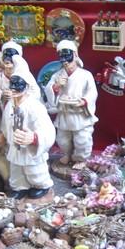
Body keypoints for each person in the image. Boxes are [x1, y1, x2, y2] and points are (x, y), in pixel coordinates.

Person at [44, 40, 98, 169]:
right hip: (64, 113)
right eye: (62, 57)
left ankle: (81, 159)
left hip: (80, 114)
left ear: (75, 55)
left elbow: (92, 92)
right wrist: (56, 87)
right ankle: (66, 154)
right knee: (63, 139)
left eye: (67, 56)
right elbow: (48, 90)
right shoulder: (57, 75)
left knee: (82, 140)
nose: (66, 61)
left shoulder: (85, 75)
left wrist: (84, 101)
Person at [2, 75, 55, 200]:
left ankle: (41, 186)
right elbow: (6, 123)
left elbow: (47, 129)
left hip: (30, 149)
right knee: (16, 171)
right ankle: (20, 188)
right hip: (15, 146)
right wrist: (4, 135)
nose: (14, 93)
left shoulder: (35, 107)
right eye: (13, 89)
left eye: (17, 90)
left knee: (34, 171)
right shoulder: (10, 105)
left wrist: (34, 138)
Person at [0, 40, 41, 132]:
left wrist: (17, 95)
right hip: (5, 114)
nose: (8, 62)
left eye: (12, 57)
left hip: (24, 115)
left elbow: (36, 94)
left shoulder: (26, 77)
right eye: (6, 56)